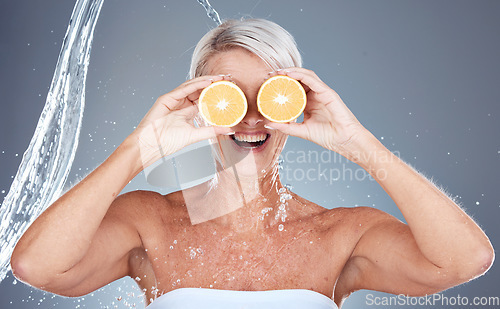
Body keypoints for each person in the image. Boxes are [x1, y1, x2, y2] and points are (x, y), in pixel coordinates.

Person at [10, 18, 494, 309]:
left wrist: (358, 142)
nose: (251, 118)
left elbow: (466, 260)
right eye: (228, 99)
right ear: (198, 105)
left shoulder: (342, 234)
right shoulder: (150, 222)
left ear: (297, 105)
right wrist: (140, 147)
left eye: (269, 95)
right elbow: (37, 265)